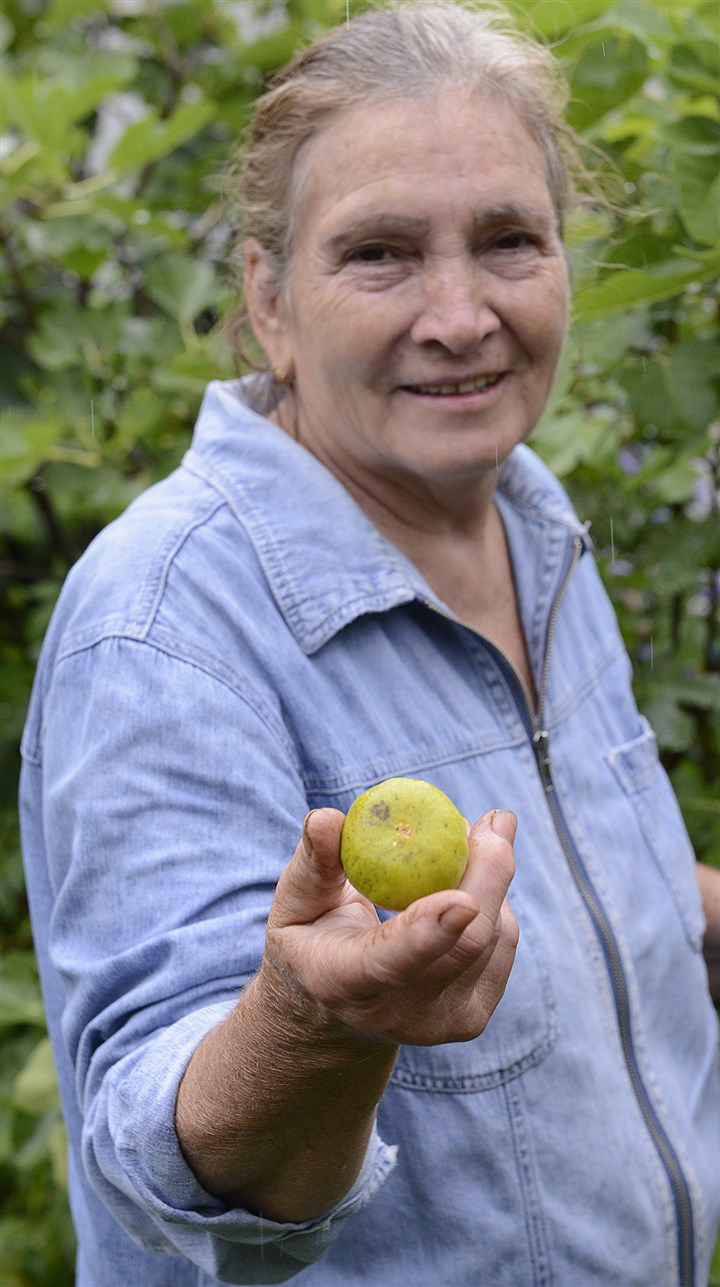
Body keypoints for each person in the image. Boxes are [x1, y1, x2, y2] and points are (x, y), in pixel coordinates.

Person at [19, 3, 720, 1285]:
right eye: (381, 255)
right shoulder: (166, 624)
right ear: (268, 299)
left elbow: (579, 881)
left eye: (510, 240)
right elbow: (163, 1160)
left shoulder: (528, 522)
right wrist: (319, 1024)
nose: (460, 317)